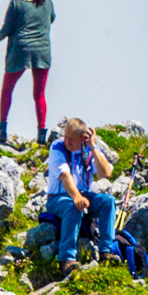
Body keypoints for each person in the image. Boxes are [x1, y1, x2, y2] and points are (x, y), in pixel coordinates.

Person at [45, 116, 120, 270]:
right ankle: (66, 259)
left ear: (83, 138)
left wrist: (93, 146)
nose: (66, 141)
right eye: (65, 136)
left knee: (108, 201)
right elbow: (65, 175)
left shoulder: (89, 150)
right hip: (58, 198)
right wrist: (77, 197)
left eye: (71, 139)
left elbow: (105, 173)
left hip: (84, 195)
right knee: (73, 206)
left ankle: (106, 251)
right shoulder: (57, 147)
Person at [0, 0, 55, 146]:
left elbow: (7, 29)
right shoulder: (47, 3)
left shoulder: (16, 4)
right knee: (39, 94)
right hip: (42, 51)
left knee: (7, 89)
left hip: (20, 50)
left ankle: (2, 130)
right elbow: (51, 19)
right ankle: (41, 134)